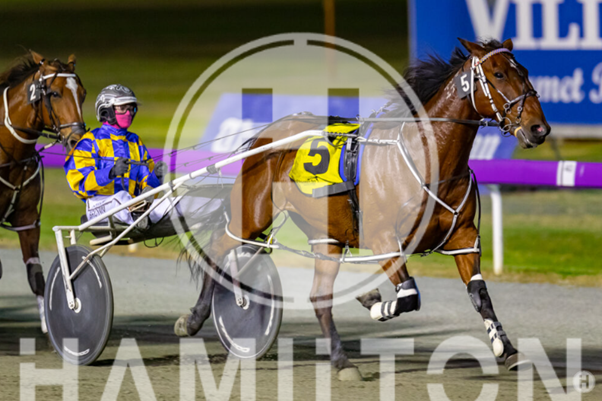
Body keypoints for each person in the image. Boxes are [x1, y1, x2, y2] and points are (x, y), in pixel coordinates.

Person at [65, 84, 219, 230]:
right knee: (121, 197)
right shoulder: (89, 141)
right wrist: (111, 172)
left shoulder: (135, 141)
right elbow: (79, 184)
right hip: (99, 207)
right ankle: (138, 216)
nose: (129, 113)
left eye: (131, 109)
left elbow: (147, 192)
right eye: (123, 108)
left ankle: (218, 209)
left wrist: (156, 178)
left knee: (177, 202)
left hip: (135, 206)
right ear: (106, 111)